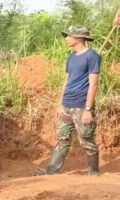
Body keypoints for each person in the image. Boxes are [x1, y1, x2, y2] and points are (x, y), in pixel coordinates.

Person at [35, 26, 101, 176]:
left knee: (86, 140)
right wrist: (60, 103)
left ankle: (93, 172)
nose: (66, 38)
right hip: (67, 104)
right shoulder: (71, 56)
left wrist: (88, 109)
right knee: (62, 139)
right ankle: (51, 171)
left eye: (68, 36)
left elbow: (93, 84)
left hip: (81, 105)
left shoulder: (92, 56)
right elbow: (67, 80)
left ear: (78, 38)